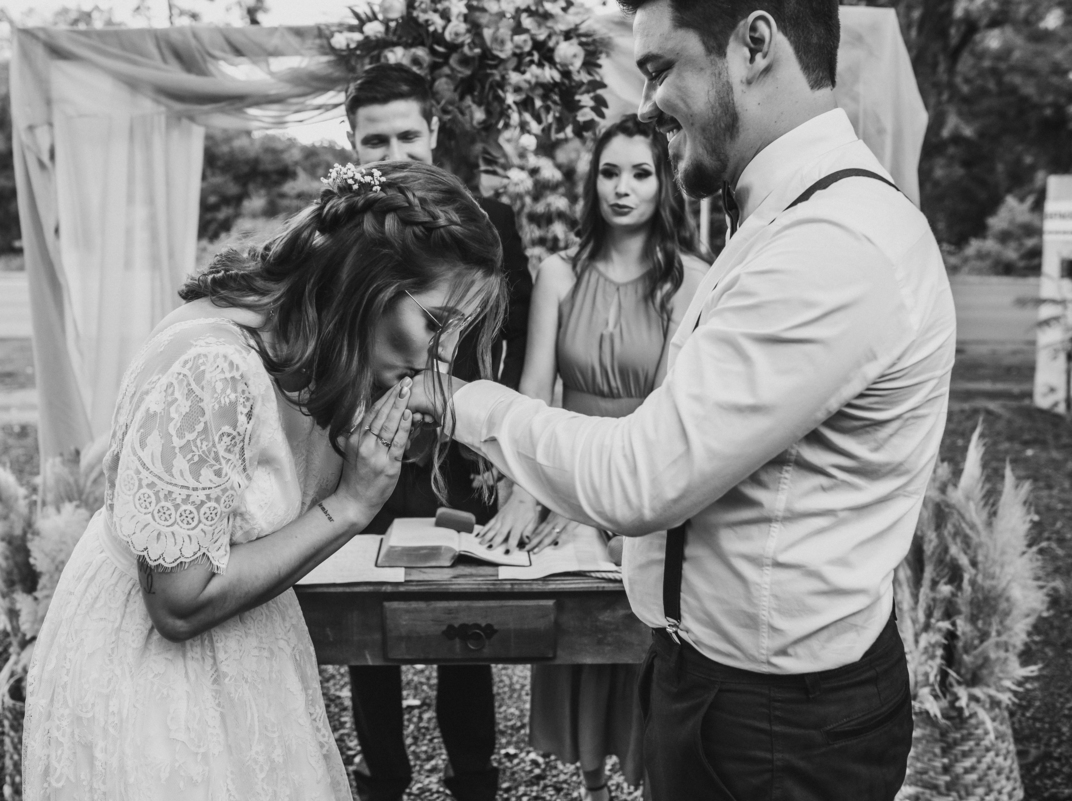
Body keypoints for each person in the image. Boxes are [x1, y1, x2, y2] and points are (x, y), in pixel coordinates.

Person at [404, 1, 958, 799]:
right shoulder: (782, 218)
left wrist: (459, 401)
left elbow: (641, 476)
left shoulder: (834, 243)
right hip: (713, 682)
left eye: (659, 69)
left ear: (754, 44)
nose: (645, 103)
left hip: (779, 729)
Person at [21, 160, 507, 801]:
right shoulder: (213, 370)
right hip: (155, 680)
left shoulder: (310, 346)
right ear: (369, 281)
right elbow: (177, 605)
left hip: (250, 645)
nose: (440, 356)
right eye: (437, 324)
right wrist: (351, 505)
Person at [478, 113, 707, 801]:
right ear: (593, 183)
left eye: (640, 173)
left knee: (636, 619)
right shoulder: (557, 273)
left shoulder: (689, 280)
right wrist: (527, 490)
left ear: (665, 183)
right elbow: (533, 391)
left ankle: (643, 778)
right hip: (566, 479)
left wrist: (622, 510)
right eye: (610, 172)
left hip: (641, 483)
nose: (622, 188)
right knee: (571, 612)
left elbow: (666, 413)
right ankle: (591, 784)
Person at [341, 63, 533, 801]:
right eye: (375, 140)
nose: (394, 152)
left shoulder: (491, 222)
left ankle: (473, 778)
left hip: (462, 458)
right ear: (352, 144)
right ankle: (383, 778)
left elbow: (513, 341)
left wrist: (507, 459)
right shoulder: (340, 232)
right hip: (369, 448)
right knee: (368, 619)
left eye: (407, 135)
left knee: (466, 619)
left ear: (433, 131)